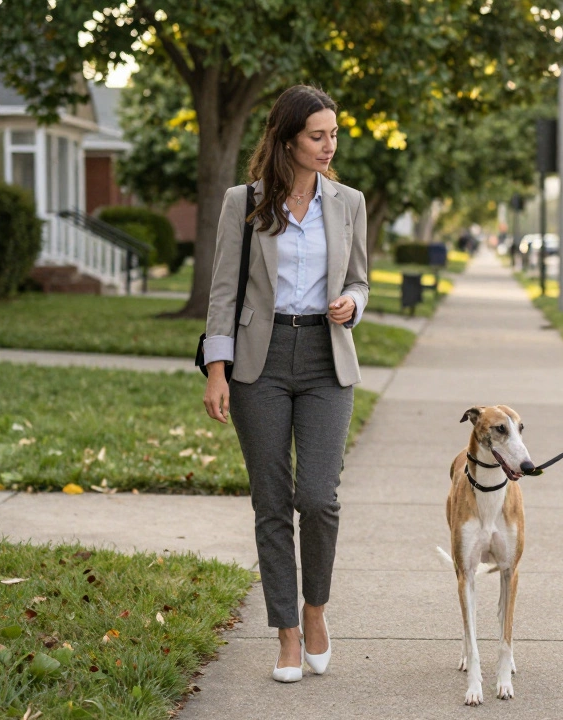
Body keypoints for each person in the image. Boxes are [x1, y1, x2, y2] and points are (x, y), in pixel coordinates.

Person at [201, 85, 369, 684]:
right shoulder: (243, 203)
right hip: (259, 362)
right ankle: (287, 633)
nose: (329, 146)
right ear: (287, 139)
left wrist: (352, 301)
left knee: (318, 497)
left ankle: (315, 609)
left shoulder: (348, 202)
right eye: (317, 136)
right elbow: (224, 290)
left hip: (326, 359)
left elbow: (360, 280)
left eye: (333, 135)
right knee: (272, 501)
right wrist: (216, 370)